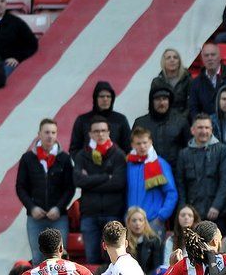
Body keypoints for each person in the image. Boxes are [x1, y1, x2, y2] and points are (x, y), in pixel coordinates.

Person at [73, 117, 127, 264]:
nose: (100, 134)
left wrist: (90, 180)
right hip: (89, 215)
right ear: (90, 134)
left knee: (115, 259)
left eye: (103, 130)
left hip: (113, 213)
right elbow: (78, 181)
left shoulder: (118, 155)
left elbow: (118, 183)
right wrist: (106, 177)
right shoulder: (82, 155)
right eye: (96, 131)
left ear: (109, 132)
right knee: (91, 259)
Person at [175, 115, 226, 223]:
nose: (203, 131)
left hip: (216, 214)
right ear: (192, 130)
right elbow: (180, 184)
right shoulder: (184, 154)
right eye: (200, 127)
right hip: (192, 215)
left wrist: (217, 206)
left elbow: (225, 181)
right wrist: (183, 209)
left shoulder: (222, 151)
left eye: (207, 128)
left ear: (211, 130)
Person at [125, 128, 178, 235]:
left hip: (153, 221)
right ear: (133, 145)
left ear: (151, 142)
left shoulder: (160, 164)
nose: (142, 146)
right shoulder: (128, 164)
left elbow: (171, 193)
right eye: (138, 143)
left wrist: (161, 216)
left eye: (145, 142)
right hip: (132, 221)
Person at [69, 81, 132, 154]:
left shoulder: (120, 120)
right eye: (102, 96)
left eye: (108, 96)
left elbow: (128, 148)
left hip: (115, 164)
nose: (105, 99)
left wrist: (119, 163)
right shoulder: (82, 120)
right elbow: (75, 149)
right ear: (95, 98)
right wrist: (83, 163)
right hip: (88, 163)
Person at [188, 43, 226, 119]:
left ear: (219, 57)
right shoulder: (196, 82)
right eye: (206, 55)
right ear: (202, 59)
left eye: (213, 55)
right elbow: (193, 108)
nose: (210, 58)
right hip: (206, 127)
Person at [133, 87, 189, 160]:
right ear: (152, 102)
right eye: (157, 99)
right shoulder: (140, 123)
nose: (161, 103)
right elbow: (133, 149)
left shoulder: (181, 122)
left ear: (169, 101)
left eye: (164, 99)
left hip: (175, 169)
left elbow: (188, 150)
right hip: (146, 168)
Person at [0, 0, 38, 76]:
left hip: (6, 64)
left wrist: (17, 58)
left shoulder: (16, 22)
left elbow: (32, 44)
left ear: (6, 3)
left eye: (2, 1)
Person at [151, 48, 192, 116]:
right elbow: (153, 105)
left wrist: (181, 119)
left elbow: (190, 104)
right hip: (162, 119)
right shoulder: (157, 82)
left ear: (179, 61)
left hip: (184, 120)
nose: (172, 60)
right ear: (163, 62)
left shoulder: (188, 80)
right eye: (168, 58)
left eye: (175, 57)